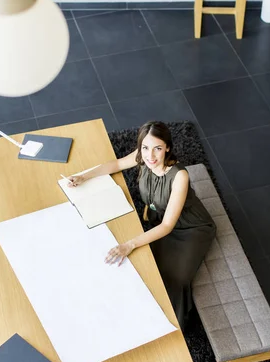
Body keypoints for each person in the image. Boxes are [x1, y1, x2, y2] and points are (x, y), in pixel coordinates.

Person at [67, 121, 216, 330]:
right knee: (144, 265)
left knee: (176, 277)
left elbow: (166, 226)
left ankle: (178, 322)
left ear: (167, 148)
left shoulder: (180, 176)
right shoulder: (144, 156)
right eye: (146, 148)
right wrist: (84, 176)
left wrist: (130, 244)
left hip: (190, 227)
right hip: (160, 218)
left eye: (157, 148)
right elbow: (116, 164)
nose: (150, 156)